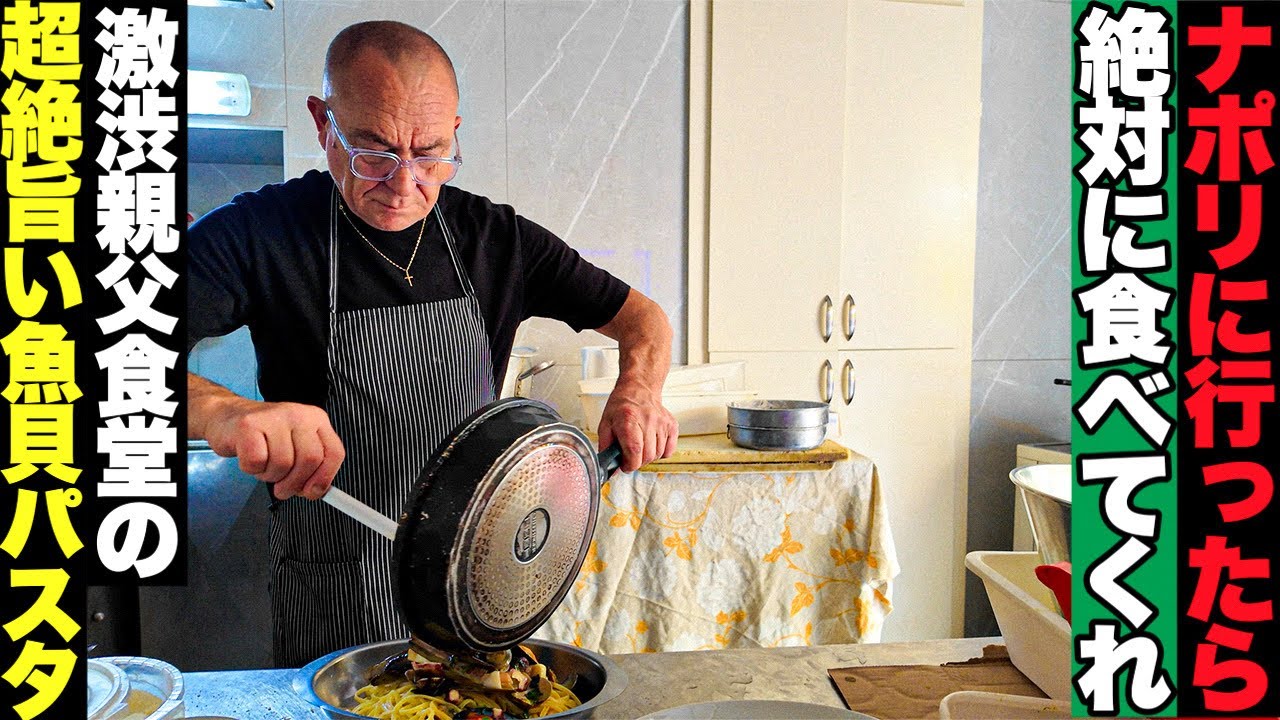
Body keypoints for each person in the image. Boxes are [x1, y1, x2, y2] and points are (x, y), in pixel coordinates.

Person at [186, 20, 678, 667]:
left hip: (476, 576)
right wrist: (231, 412)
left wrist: (638, 392)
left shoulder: (495, 238)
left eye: (430, 154)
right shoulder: (261, 234)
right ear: (321, 122)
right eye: (375, 152)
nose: (405, 183)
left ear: (454, 135)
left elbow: (642, 317)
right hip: (336, 575)